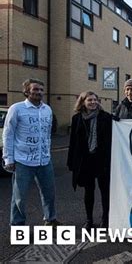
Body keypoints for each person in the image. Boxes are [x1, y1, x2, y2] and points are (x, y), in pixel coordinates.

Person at [3, 78, 60, 226]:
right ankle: (17, 224)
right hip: (23, 161)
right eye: (35, 89)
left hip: (44, 160)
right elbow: (8, 134)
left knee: (49, 193)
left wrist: (48, 151)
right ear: (27, 91)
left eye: (41, 89)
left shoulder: (47, 109)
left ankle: (50, 218)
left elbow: (47, 134)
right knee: (19, 196)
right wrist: (8, 159)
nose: (39, 92)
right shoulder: (16, 108)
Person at [67, 91, 112, 229]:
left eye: (95, 100)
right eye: (89, 100)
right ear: (83, 102)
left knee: (105, 191)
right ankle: (89, 219)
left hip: (102, 160)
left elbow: (124, 124)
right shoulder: (77, 119)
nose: (93, 102)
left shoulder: (106, 117)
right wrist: (71, 162)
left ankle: (105, 218)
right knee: (89, 191)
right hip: (85, 161)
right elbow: (73, 142)